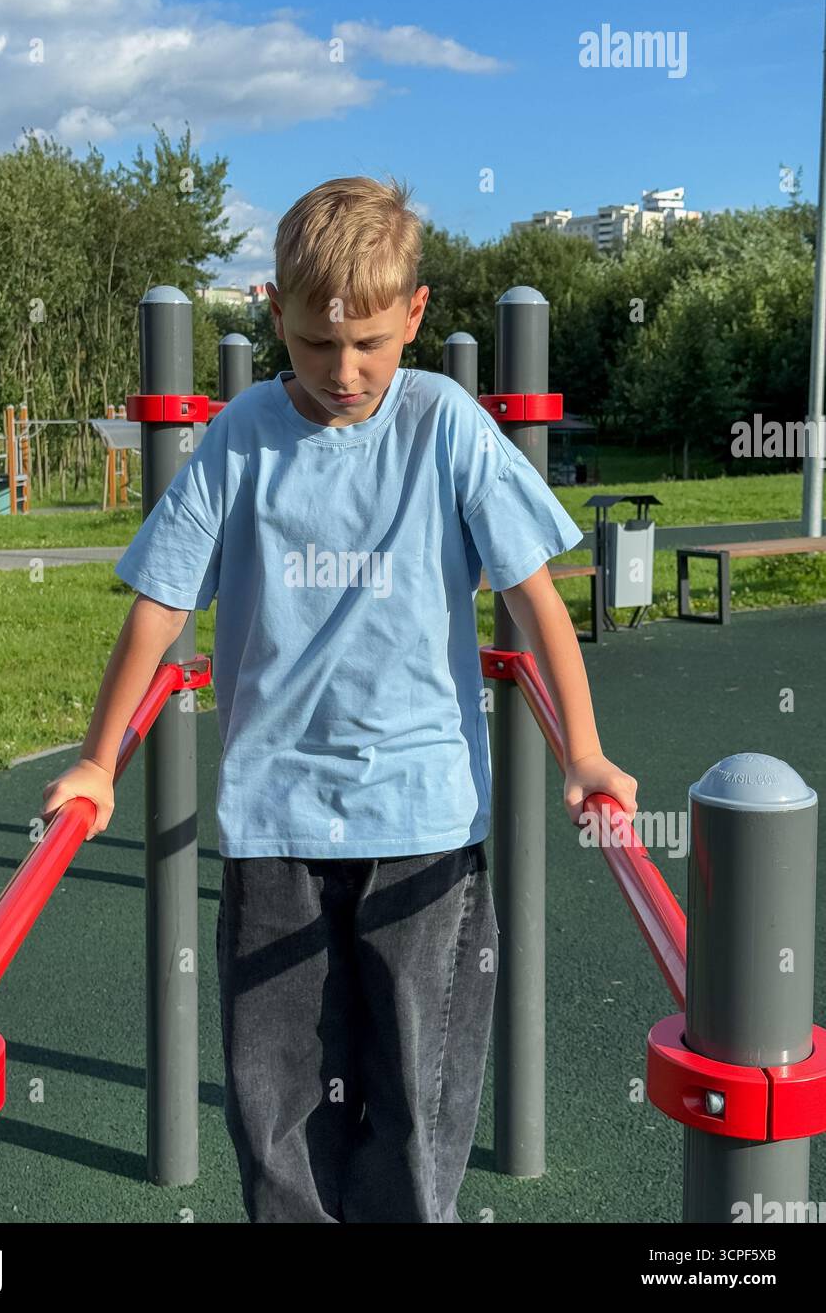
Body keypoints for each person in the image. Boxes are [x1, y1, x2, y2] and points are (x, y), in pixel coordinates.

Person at [40, 175, 638, 1223]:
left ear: (414, 311)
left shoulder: (443, 423)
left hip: (422, 822)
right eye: (318, 347)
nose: (346, 372)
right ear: (275, 313)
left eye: (369, 342)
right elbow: (158, 605)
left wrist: (584, 752)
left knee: (417, 1087)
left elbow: (538, 602)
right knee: (277, 1101)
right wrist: (98, 761)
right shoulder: (242, 436)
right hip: (278, 821)